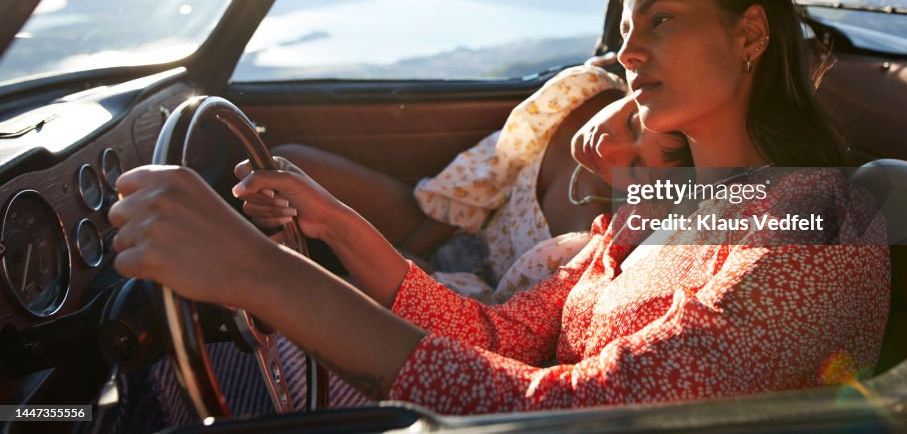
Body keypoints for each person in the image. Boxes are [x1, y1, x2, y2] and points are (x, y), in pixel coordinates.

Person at [109, 0, 889, 415]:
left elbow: (598, 412)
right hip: (513, 414)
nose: (627, 51)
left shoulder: (819, 223)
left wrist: (261, 273)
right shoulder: (651, 212)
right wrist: (338, 227)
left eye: (661, 19)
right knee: (209, 361)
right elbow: (504, 335)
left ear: (750, 35)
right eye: (626, 28)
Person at [270, 64, 689, 303]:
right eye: (632, 123)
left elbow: (498, 315)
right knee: (290, 164)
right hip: (454, 230)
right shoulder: (583, 97)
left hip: (472, 296)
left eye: (635, 166)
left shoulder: (602, 238)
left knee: (321, 295)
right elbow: (484, 183)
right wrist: (415, 246)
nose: (608, 146)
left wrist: (409, 268)